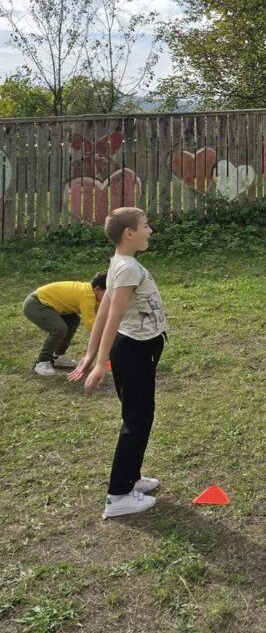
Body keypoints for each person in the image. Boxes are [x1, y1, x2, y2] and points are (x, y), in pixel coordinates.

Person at [69, 207, 167, 519]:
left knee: (139, 415)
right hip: (134, 350)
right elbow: (112, 315)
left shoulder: (120, 264)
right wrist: (99, 363)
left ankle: (131, 477)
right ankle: (119, 496)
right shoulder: (126, 268)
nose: (149, 231)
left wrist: (89, 353)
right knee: (137, 419)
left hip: (136, 349)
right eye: (145, 226)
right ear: (129, 233)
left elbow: (103, 312)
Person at [23, 273, 108, 376]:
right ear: (97, 289)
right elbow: (92, 325)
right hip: (36, 303)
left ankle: (57, 356)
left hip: (52, 306)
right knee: (59, 328)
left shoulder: (94, 295)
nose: (110, 297)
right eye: (108, 293)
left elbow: (101, 317)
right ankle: (41, 362)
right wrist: (107, 341)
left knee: (73, 320)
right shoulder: (87, 296)